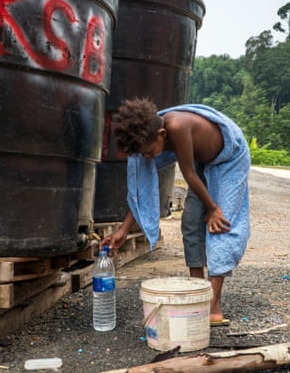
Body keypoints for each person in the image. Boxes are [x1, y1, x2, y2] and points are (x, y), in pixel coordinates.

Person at [102, 97, 250, 325]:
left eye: (151, 152)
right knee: (190, 222)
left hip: (230, 159)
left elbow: (188, 174)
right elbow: (142, 187)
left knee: (220, 225)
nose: (150, 157)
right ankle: (197, 292)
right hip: (203, 163)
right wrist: (123, 229)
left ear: (161, 135)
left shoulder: (178, 126)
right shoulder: (151, 135)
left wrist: (212, 209)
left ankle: (213, 304)